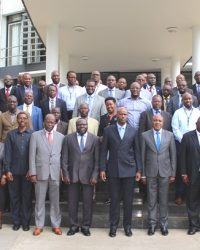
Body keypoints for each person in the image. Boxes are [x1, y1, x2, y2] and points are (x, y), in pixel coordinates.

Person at [100, 107, 141, 237]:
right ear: (116, 115)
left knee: (128, 201)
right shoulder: (108, 130)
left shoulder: (133, 131)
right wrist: (102, 168)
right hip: (113, 169)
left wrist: (139, 169)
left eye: (125, 114)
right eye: (121, 114)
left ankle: (127, 226)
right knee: (115, 200)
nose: (123, 116)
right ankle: (113, 226)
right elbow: (103, 151)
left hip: (129, 169)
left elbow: (137, 151)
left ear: (127, 116)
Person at [62, 118, 99, 236]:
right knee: (72, 203)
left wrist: (95, 175)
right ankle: (73, 226)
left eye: (84, 124)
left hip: (88, 176)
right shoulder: (68, 138)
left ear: (87, 125)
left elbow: (97, 160)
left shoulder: (95, 139)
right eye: (79, 124)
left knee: (88, 203)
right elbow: (64, 159)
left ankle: (86, 226)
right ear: (76, 126)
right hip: (72, 176)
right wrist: (65, 174)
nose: (82, 126)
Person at [29, 114, 64, 236]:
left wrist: (63, 173)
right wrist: (32, 172)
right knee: (39, 200)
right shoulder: (35, 135)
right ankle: (39, 225)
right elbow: (32, 156)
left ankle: (56, 225)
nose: (50, 124)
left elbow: (62, 156)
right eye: (48, 122)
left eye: (52, 122)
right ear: (44, 122)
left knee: (55, 201)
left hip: (55, 173)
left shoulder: (61, 137)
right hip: (40, 173)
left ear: (55, 123)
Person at [141, 115, 176, 236]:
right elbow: (142, 156)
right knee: (151, 200)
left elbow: (173, 155)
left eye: (159, 121)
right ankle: (151, 224)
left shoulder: (169, 135)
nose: (157, 122)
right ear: (152, 121)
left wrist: (173, 173)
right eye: (155, 120)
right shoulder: (145, 135)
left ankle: (164, 224)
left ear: (163, 122)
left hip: (165, 172)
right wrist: (143, 174)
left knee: (164, 199)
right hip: (150, 172)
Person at [3, 112, 34, 231]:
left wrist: (31, 170)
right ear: (17, 120)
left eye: (24, 118)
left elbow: (34, 154)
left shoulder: (32, 134)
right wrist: (8, 170)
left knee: (26, 199)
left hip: (27, 173)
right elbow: (7, 153)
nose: (22, 120)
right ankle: (16, 221)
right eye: (20, 118)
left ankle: (25, 222)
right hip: (13, 172)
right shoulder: (11, 134)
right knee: (14, 198)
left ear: (27, 120)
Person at [172, 92, 200, 205]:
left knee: (194, 169)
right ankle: (179, 194)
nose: (188, 101)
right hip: (181, 144)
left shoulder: (198, 112)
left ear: (192, 100)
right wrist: (184, 140)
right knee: (182, 169)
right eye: (185, 99)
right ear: (182, 100)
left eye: (189, 99)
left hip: (197, 144)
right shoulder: (177, 113)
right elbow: (175, 128)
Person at [180, 117, 200, 235]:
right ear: (196, 123)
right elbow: (182, 156)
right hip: (192, 175)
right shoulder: (187, 136)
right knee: (192, 201)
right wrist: (183, 173)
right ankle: (193, 226)